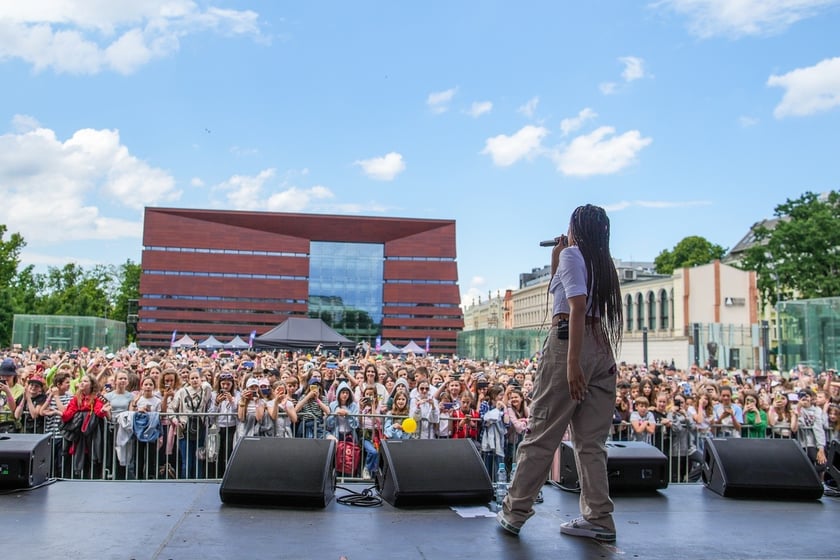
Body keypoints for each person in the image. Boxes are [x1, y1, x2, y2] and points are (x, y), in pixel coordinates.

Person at [498, 204, 623, 543]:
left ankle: (515, 511)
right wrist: (558, 256)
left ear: (575, 225)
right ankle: (599, 518)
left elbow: (575, 307)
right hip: (602, 349)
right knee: (590, 444)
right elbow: (560, 294)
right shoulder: (602, 262)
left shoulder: (573, 254)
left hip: (570, 341)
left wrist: (572, 364)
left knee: (542, 432)